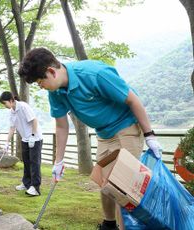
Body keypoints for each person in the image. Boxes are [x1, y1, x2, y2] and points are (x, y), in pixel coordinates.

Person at [18, 48, 162, 229]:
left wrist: (150, 135)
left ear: (51, 72)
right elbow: (62, 126)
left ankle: (126, 226)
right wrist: (59, 161)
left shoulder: (95, 74)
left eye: (40, 82)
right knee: (104, 182)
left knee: (121, 187)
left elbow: (133, 100)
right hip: (103, 133)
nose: (41, 86)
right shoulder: (55, 92)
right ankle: (109, 224)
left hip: (127, 127)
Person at [0, 91, 43, 196]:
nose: (5, 106)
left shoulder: (23, 106)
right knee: (26, 162)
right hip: (25, 139)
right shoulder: (12, 111)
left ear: (11, 100)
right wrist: (7, 143)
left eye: (5, 103)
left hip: (35, 139)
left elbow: (34, 121)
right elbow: (12, 127)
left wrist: (32, 135)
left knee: (34, 163)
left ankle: (35, 188)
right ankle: (26, 183)